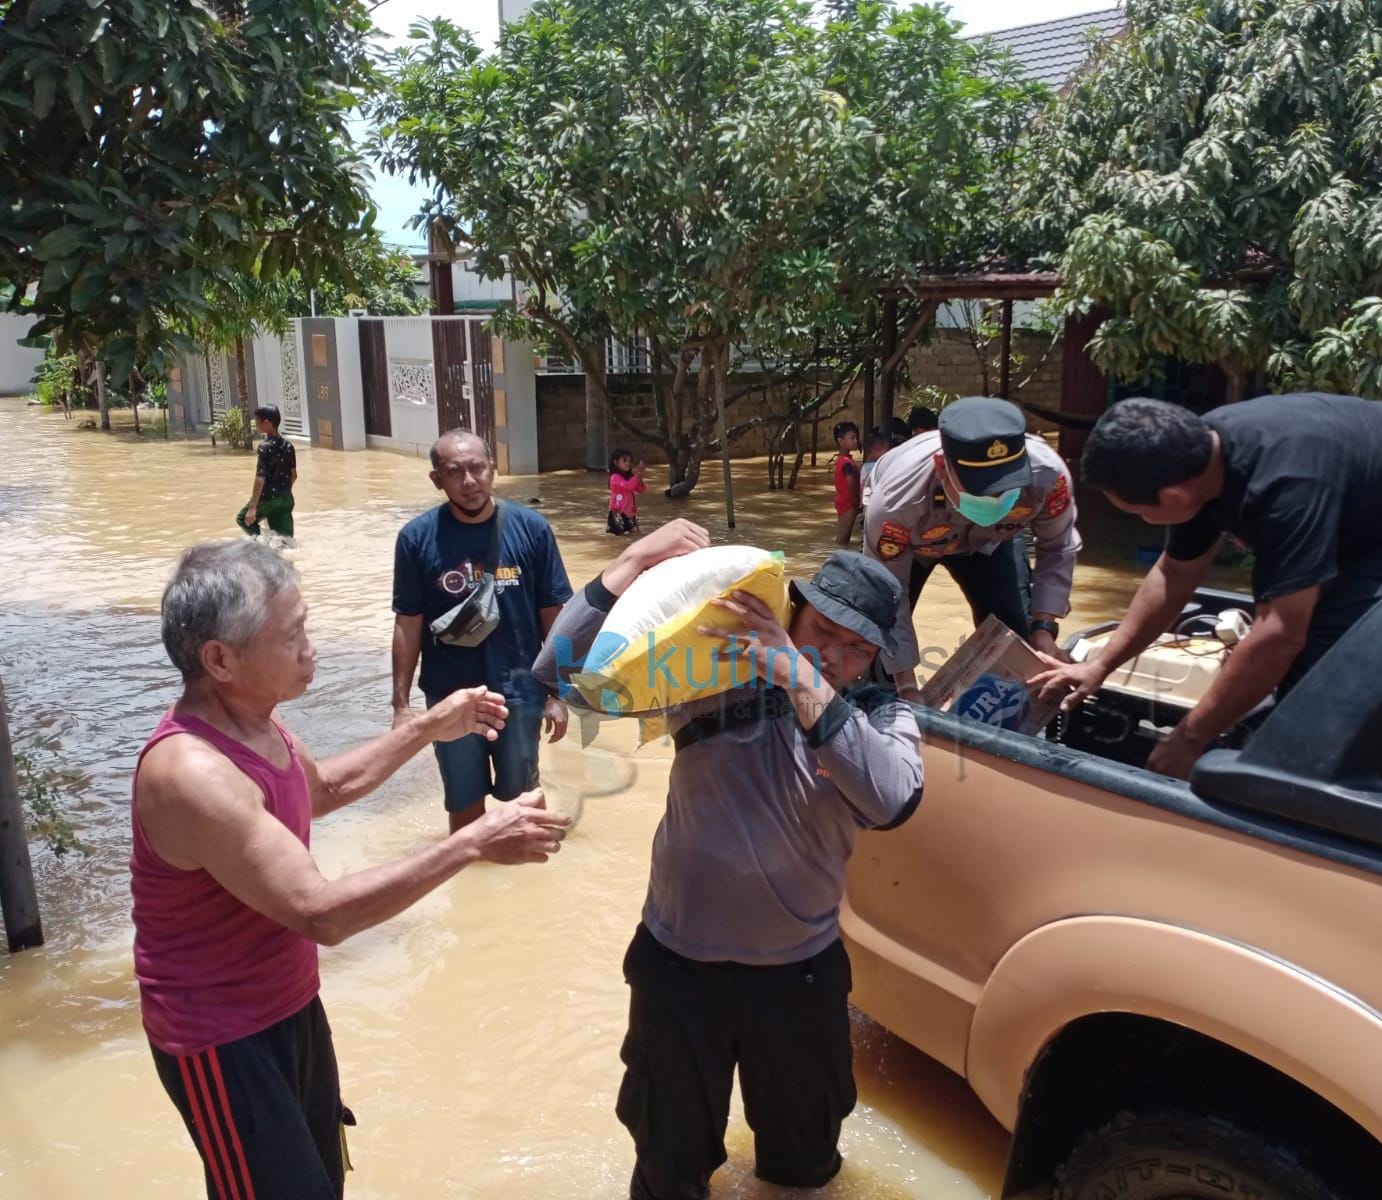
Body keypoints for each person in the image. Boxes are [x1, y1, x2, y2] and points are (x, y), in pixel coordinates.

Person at [134, 539, 570, 1200]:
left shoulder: (259, 724)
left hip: (288, 1007)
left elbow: (323, 791)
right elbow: (321, 912)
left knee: (323, 1181)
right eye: (293, 635)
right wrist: (473, 841)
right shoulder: (192, 772)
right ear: (220, 659)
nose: (311, 648)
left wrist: (428, 726)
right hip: (220, 1041)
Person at [535, 520, 923, 1200]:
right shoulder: (711, 671)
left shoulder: (883, 717)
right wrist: (634, 559)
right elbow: (562, 674)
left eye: (857, 650)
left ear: (876, 662)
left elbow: (892, 801)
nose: (836, 656)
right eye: (823, 633)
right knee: (668, 1165)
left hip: (800, 978)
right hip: (679, 968)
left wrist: (800, 675)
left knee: (802, 1171)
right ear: (791, 610)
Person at [1029, 393, 1382, 780]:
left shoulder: (1283, 486)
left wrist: (1190, 740)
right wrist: (1101, 664)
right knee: (1308, 639)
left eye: (1135, 512)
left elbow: (1279, 635)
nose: (1138, 521)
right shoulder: (1201, 458)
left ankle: (1341, 789)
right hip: (1371, 517)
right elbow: (1174, 574)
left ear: (1173, 497)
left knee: (1333, 645)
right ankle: (1356, 767)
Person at [392, 429, 574, 832]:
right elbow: (408, 623)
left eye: (477, 468)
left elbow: (555, 615)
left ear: (493, 468)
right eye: (455, 472)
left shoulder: (532, 529)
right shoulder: (416, 539)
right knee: (464, 809)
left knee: (524, 804)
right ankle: (472, 884)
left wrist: (558, 693)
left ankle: (530, 889)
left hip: (521, 692)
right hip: (450, 698)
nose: (469, 481)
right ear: (437, 480)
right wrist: (401, 706)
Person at [864, 395, 1081, 698]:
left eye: (1007, 488)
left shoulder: (1048, 475)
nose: (997, 501)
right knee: (873, 654)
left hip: (992, 543)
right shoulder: (896, 501)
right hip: (915, 546)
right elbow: (886, 596)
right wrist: (907, 684)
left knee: (1015, 638)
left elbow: (1058, 548)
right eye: (983, 492)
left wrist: (1044, 628)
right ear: (942, 467)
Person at [236, 405, 297, 547]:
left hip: (269, 498)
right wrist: (283, 493)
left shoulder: (265, 447)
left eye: (257, 421)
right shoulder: (289, 446)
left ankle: (266, 543)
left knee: (243, 519)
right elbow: (294, 475)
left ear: (267, 423)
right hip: (286, 498)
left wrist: (252, 507)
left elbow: (260, 478)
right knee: (287, 542)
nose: (255, 425)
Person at [831, 421, 863, 546]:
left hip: (842, 501)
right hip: (848, 503)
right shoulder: (846, 463)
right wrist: (856, 503)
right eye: (852, 438)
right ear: (841, 441)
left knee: (841, 537)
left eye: (856, 438)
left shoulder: (843, 460)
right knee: (844, 540)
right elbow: (850, 483)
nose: (855, 441)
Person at [608, 447, 647, 535]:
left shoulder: (630, 477)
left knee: (634, 536)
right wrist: (638, 474)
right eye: (625, 461)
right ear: (615, 462)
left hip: (631, 514)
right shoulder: (614, 477)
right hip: (618, 514)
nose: (628, 464)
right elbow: (628, 486)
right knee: (620, 539)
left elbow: (642, 489)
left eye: (629, 461)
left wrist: (640, 478)